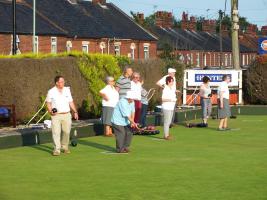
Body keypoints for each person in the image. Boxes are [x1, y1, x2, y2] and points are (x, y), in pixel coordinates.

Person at [46, 75, 78, 156]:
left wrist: (75, 111)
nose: (63, 83)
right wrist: (50, 111)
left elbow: (71, 101)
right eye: (61, 82)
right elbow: (48, 103)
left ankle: (65, 147)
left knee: (66, 132)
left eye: (64, 81)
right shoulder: (51, 91)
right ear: (57, 83)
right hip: (56, 115)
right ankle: (57, 149)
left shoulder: (67, 90)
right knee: (56, 132)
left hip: (67, 114)